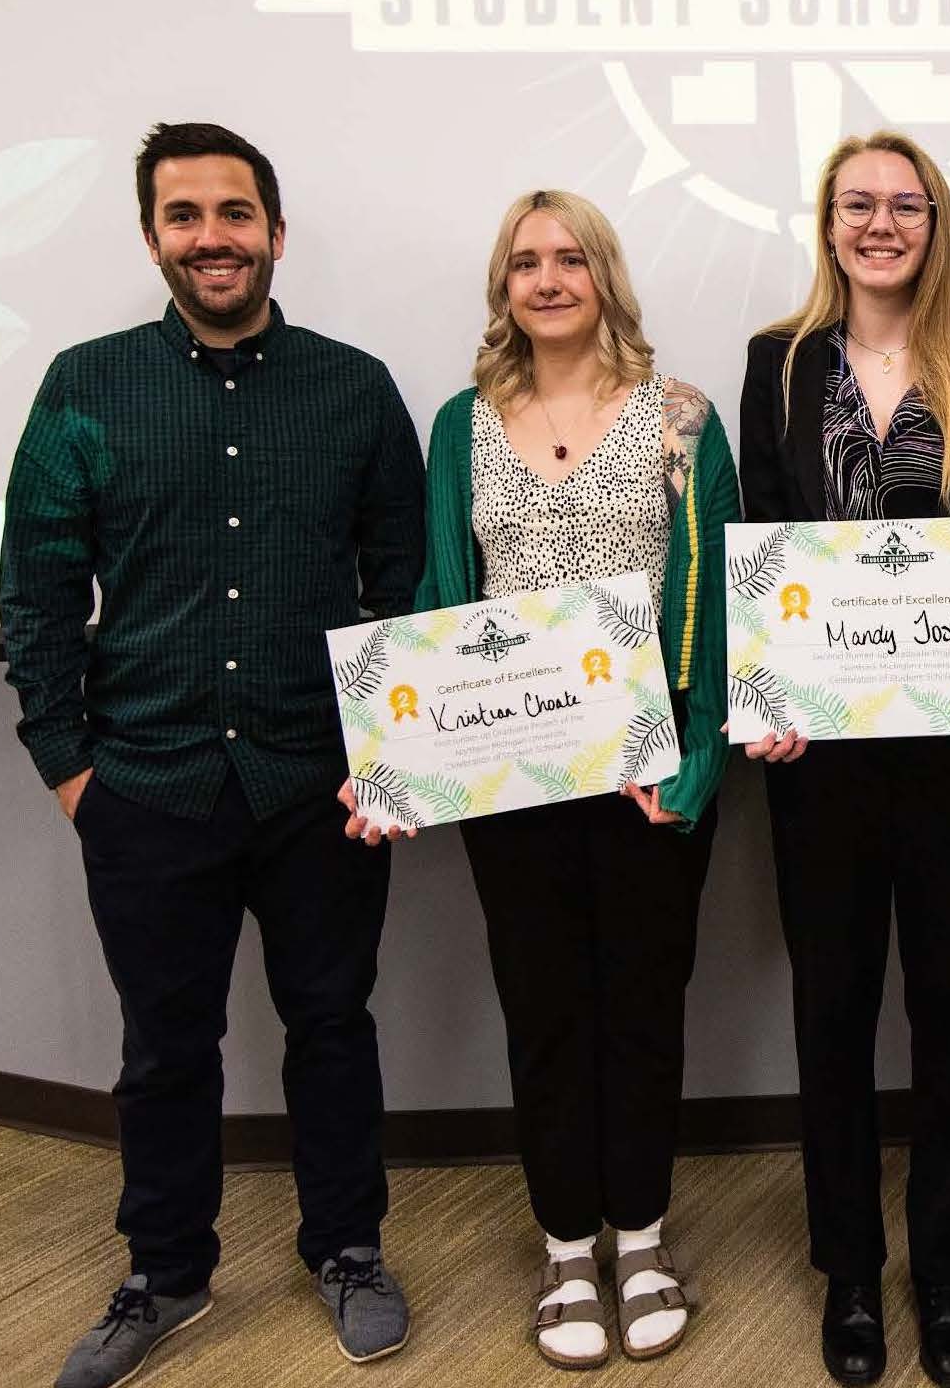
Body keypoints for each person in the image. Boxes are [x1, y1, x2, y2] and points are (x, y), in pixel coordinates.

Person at [0, 122, 425, 1387]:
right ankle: (166, 1271)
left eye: (234, 214)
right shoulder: (86, 384)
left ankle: (347, 1248)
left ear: (275, 233)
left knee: (331, 1025)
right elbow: (36, 590)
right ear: (152, 239)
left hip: (319, 783)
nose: (211, 237)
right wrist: (71, 766)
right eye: (183, 216)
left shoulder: (354, 387)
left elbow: (402, 589)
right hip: (146, 784)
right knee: (163, 1045)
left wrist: (391, 756)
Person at [345, 189, 737, 1368]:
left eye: (572, 258)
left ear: (606, 277)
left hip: (644, 773)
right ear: (502, 285)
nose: (550, 278)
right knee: (545, 1009)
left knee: (641, 1007)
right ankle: (568, 1248)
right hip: (506, 773)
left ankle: (642, 1238)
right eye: (527, 262)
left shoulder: (681, 419)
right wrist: (394, 765)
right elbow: (433, 602)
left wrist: (704, 758)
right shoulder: (461, 424)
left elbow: (713, 602)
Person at [736, 130, 950, 1388]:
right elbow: (758, 525)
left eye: (902, 204)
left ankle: (942, 1269)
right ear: (826, 222)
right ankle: (851, 1271)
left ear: (934, 220)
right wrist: (764, 690)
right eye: (855, 204)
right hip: (823, 748)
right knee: (832, 1006)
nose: (879, 224)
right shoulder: (779, 364)